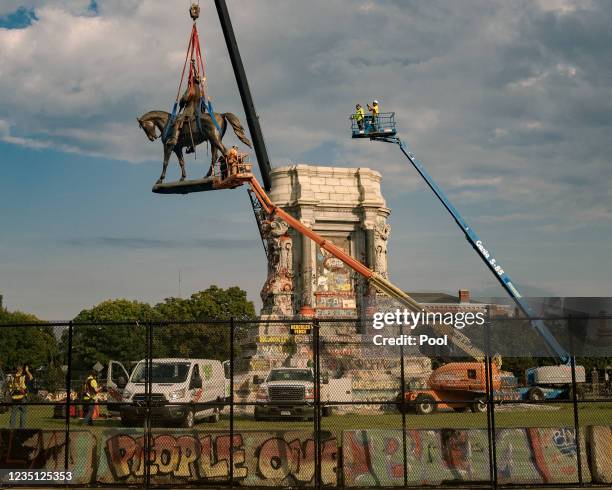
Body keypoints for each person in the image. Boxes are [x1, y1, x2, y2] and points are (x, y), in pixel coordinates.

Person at [166, 61, 202, 150]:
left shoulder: (191, 89)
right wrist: (193, 66)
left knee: (178, 120)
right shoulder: (200, 91)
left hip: (189, 110)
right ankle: (192, 145)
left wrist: (181, 103)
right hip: (198, 111)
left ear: (192, 80)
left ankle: (174, 139)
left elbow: (184, 99)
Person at [9, 365, 32, 429]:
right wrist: (27, 370)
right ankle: (22, 429)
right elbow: (31, 377)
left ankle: (12, 429)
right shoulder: (23, 377)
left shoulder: (12, 377)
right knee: (23, 413)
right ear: (21, 370)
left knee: (13, 414)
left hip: (14, 398)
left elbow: (10, 387)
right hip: (23, 397)